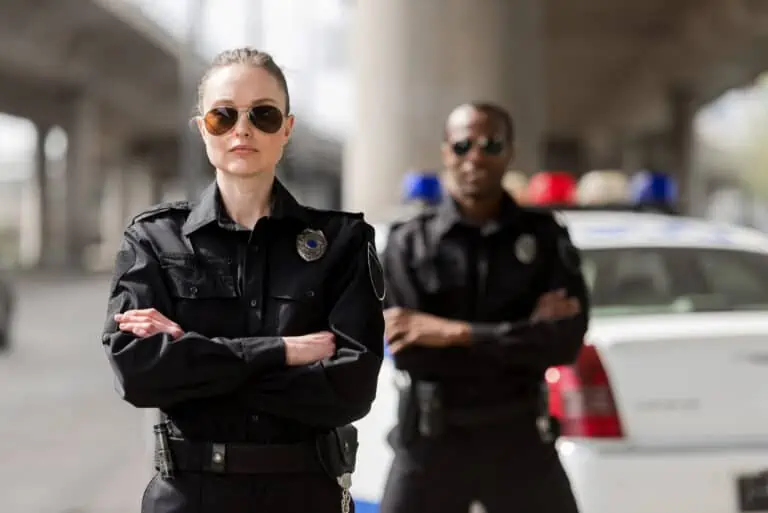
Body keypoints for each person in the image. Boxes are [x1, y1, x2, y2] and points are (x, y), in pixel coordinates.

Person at [101, 47, 385, 513]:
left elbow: (351, 388)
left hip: (303, 495)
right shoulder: (153, 239)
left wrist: (195, 361)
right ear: (201, 128)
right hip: (189, 496)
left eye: (264, 114)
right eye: (223, 116)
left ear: (287, 128)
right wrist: (280, 352)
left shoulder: (341, 242)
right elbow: (137, 373)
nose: (243, 129)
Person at [379, 102, 590, 513]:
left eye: (490, 144)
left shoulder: (545, 238)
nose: (475, 156)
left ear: (509, 152)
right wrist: (520, 335)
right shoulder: (409, 242)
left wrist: (453, 333)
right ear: (445, 152)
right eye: (462, 145)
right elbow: (410, 350)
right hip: (431, 439)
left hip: (520, 438)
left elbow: (562, 344)